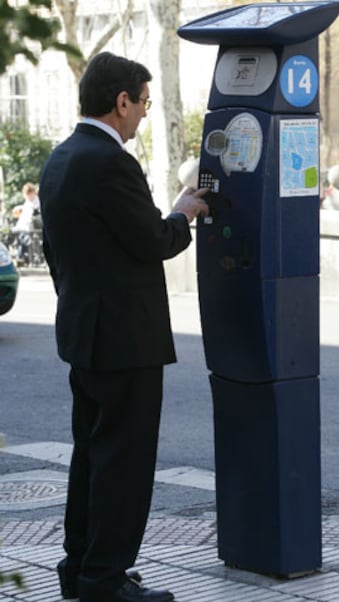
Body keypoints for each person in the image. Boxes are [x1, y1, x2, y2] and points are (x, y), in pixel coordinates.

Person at [39, 52, 209, 602]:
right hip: (125, 343)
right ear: (121, 102)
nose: (143, 116)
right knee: (124, 464)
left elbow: (59, 254)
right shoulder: (110, 162)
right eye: (144, 104)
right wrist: (184, 212)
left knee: (91, 456)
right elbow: (153, 240)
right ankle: (106, 581)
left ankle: (82, 569)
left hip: (84, 336)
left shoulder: (62, 158)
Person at [12, 182, 40, 264]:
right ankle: (20, 256)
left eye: (29, 194)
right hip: (23, 227)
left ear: (33, 193)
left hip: (30, 227)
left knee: (23, 237)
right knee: (16, 237)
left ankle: (20, 257)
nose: (28, 196)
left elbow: (32, 215)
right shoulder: (28, 202)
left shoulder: (36, 202)